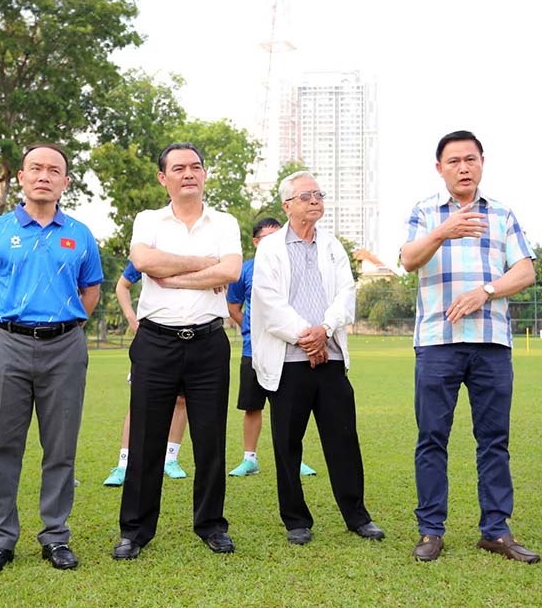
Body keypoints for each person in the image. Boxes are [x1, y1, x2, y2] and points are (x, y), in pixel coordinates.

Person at [400, 130, 540, 564]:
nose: (464, 167)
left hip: (491, 344)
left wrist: (488, 290)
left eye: (471, 159)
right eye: (454, 161)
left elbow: (526, 270)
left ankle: (495, 531)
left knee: (494, 440)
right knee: (432, 439)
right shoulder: (425, 212)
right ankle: (430, 531)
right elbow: (408, 259)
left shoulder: (502, 213)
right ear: (439, 167)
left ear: (482, 163)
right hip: (438, 343)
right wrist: (444, 230)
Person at [0, 143, 103, 576]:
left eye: (54, 170)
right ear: (22, 177)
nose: (44, 176)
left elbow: (91, 291)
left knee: (60, 447)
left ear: (65, 182)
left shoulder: (80, 234)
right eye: (36, 168)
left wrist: (63, 328)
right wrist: (3, 332)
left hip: (65, 346)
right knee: (1, 447)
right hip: (7, 343)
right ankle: (0, 539)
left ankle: (55, 536)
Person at [114, 142, 241, 560]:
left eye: (196, 167)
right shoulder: (149, 220)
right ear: (162, 177)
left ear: (205, 175)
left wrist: (177, 274)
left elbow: (230, 270)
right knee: (146, 440)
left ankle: (210, 524)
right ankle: (135, 530)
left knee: (210, 440)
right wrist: (201, 264)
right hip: (155, 342)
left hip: (208, 343)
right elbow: (144, 260)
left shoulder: (224, 222)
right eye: (179, 167)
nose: (189, 173)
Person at [251, 171, 383, 546]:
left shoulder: (332, 245)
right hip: (288, 361)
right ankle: (296, 520)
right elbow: (268, 302)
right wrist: (306, 337)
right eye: (306, 195)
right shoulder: (270, 247)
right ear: (287, 205)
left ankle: (357, 516)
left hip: (331, 358)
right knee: (288, 444)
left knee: (343, 440)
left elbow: (346, 293)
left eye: (319, 194)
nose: (315, 201)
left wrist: (323, 331)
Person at [226, 217, 316, 478]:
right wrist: (255, 329)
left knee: (290, 408)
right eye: (268, 238)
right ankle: (249, 459)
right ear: (256, 242)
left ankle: (293, 459)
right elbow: (233, 307)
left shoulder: (295, 265)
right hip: (252, 350)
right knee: (252, 406)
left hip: (289, 351)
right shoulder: (245, 270)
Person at [103, 260, 189, 486]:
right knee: (139, 403)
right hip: (154, 338)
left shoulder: (200, 250)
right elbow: (122, 285)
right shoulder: (149, 254)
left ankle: (170, 459)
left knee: (182, 400)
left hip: (189, 339)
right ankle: (124, 463)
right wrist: (132, 317)